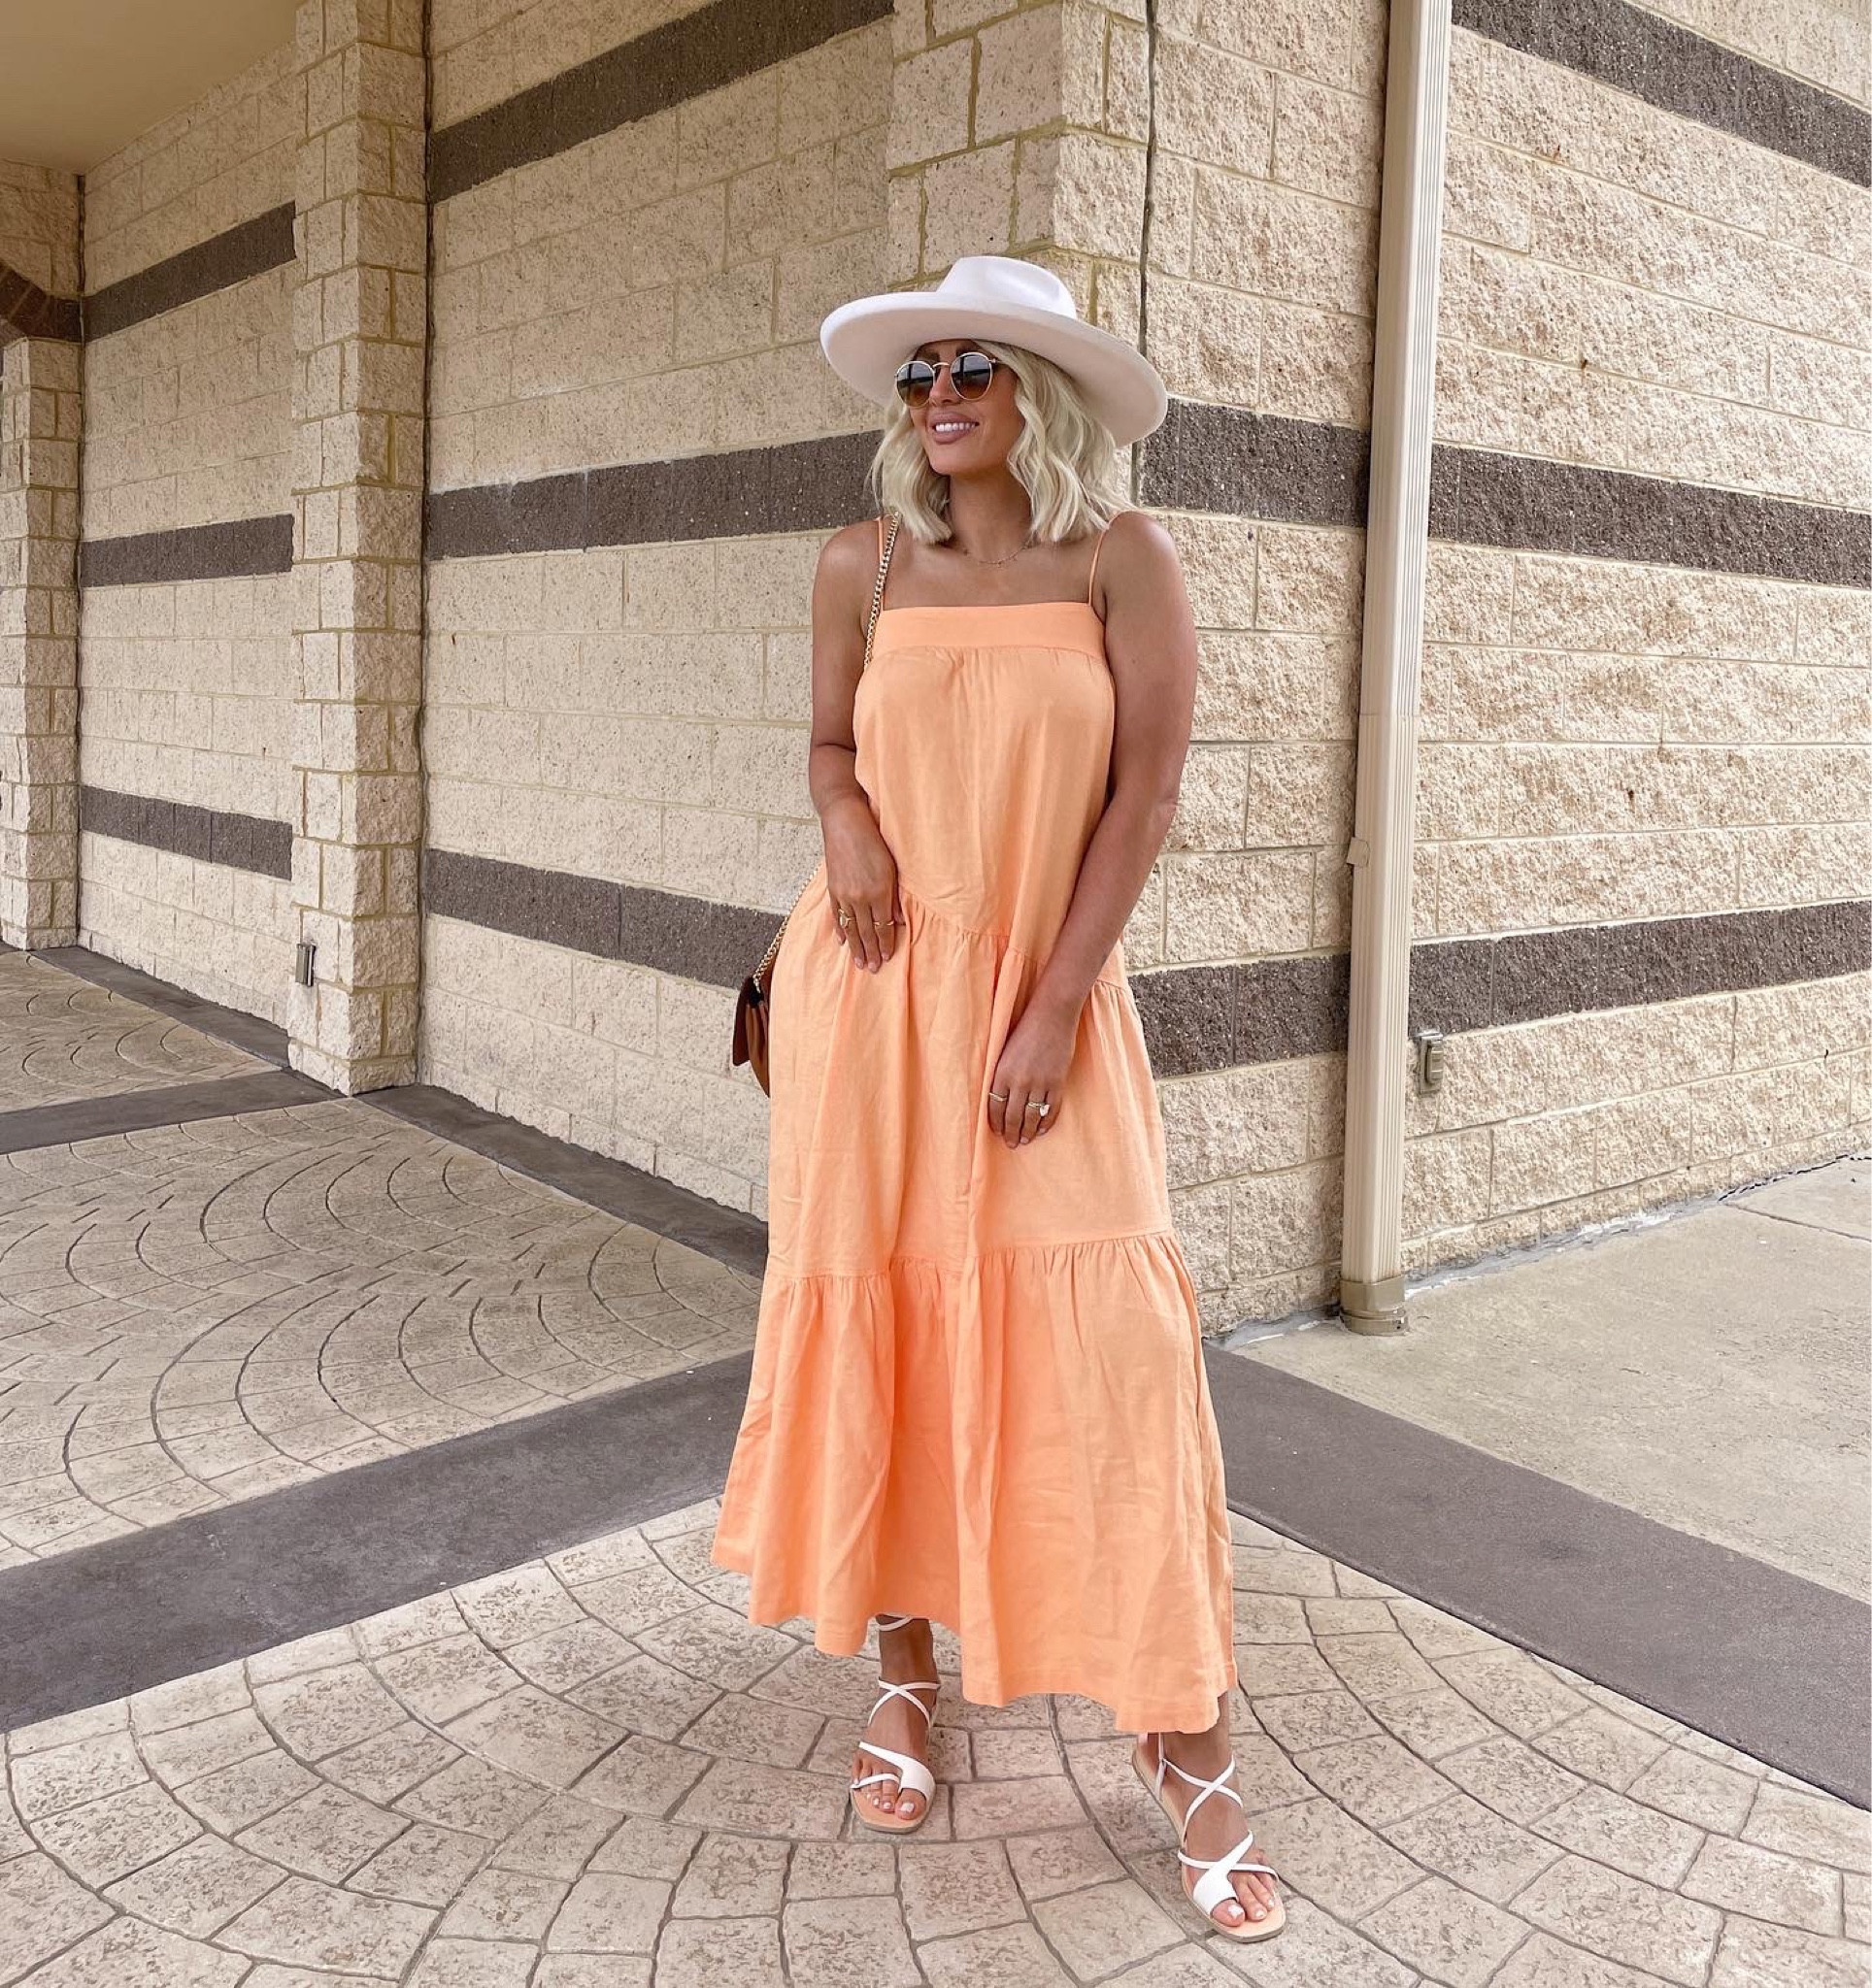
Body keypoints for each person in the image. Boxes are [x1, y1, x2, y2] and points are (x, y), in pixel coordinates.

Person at [710, 254, 1286, 1943]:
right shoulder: (858, 564)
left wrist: (1049, 1010)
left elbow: (1146, 795)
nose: (939, 392)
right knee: (883, 1317)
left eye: (975, 364)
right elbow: (831, 751)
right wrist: (846, 826)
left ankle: (1190, 1750)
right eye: (918, 371)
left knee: (1109, 1359)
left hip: (1043, 1013)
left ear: (1046, 389)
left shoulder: (1124, 562)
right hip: (870, 1006)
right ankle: (904, 1684)